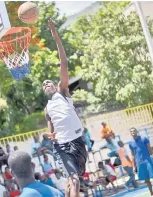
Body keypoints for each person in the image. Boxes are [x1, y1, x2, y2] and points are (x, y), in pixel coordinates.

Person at [43, 19, 87, 197]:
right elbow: (51, 131)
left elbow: (64, 62)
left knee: (72, 182)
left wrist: (55, 36)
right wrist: (51, 135)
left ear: (55, 85)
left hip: (78, 141)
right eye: (44, 85)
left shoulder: (63, 92)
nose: (47, 84)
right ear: (44, 91)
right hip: (62, 145)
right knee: (74, 179)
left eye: (49, 82)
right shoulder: (47, 108)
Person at [129, 127, 153, 197]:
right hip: (140, 164)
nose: (133, 132)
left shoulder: (144, 139)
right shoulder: (131, 144)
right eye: (131, 131)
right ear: (130, 133)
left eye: (134, 131)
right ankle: (152, 194)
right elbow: (132, 155)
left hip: (148, 161)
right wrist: (134, 166)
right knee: (146, 180)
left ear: (136, 131)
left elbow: (150, 150)